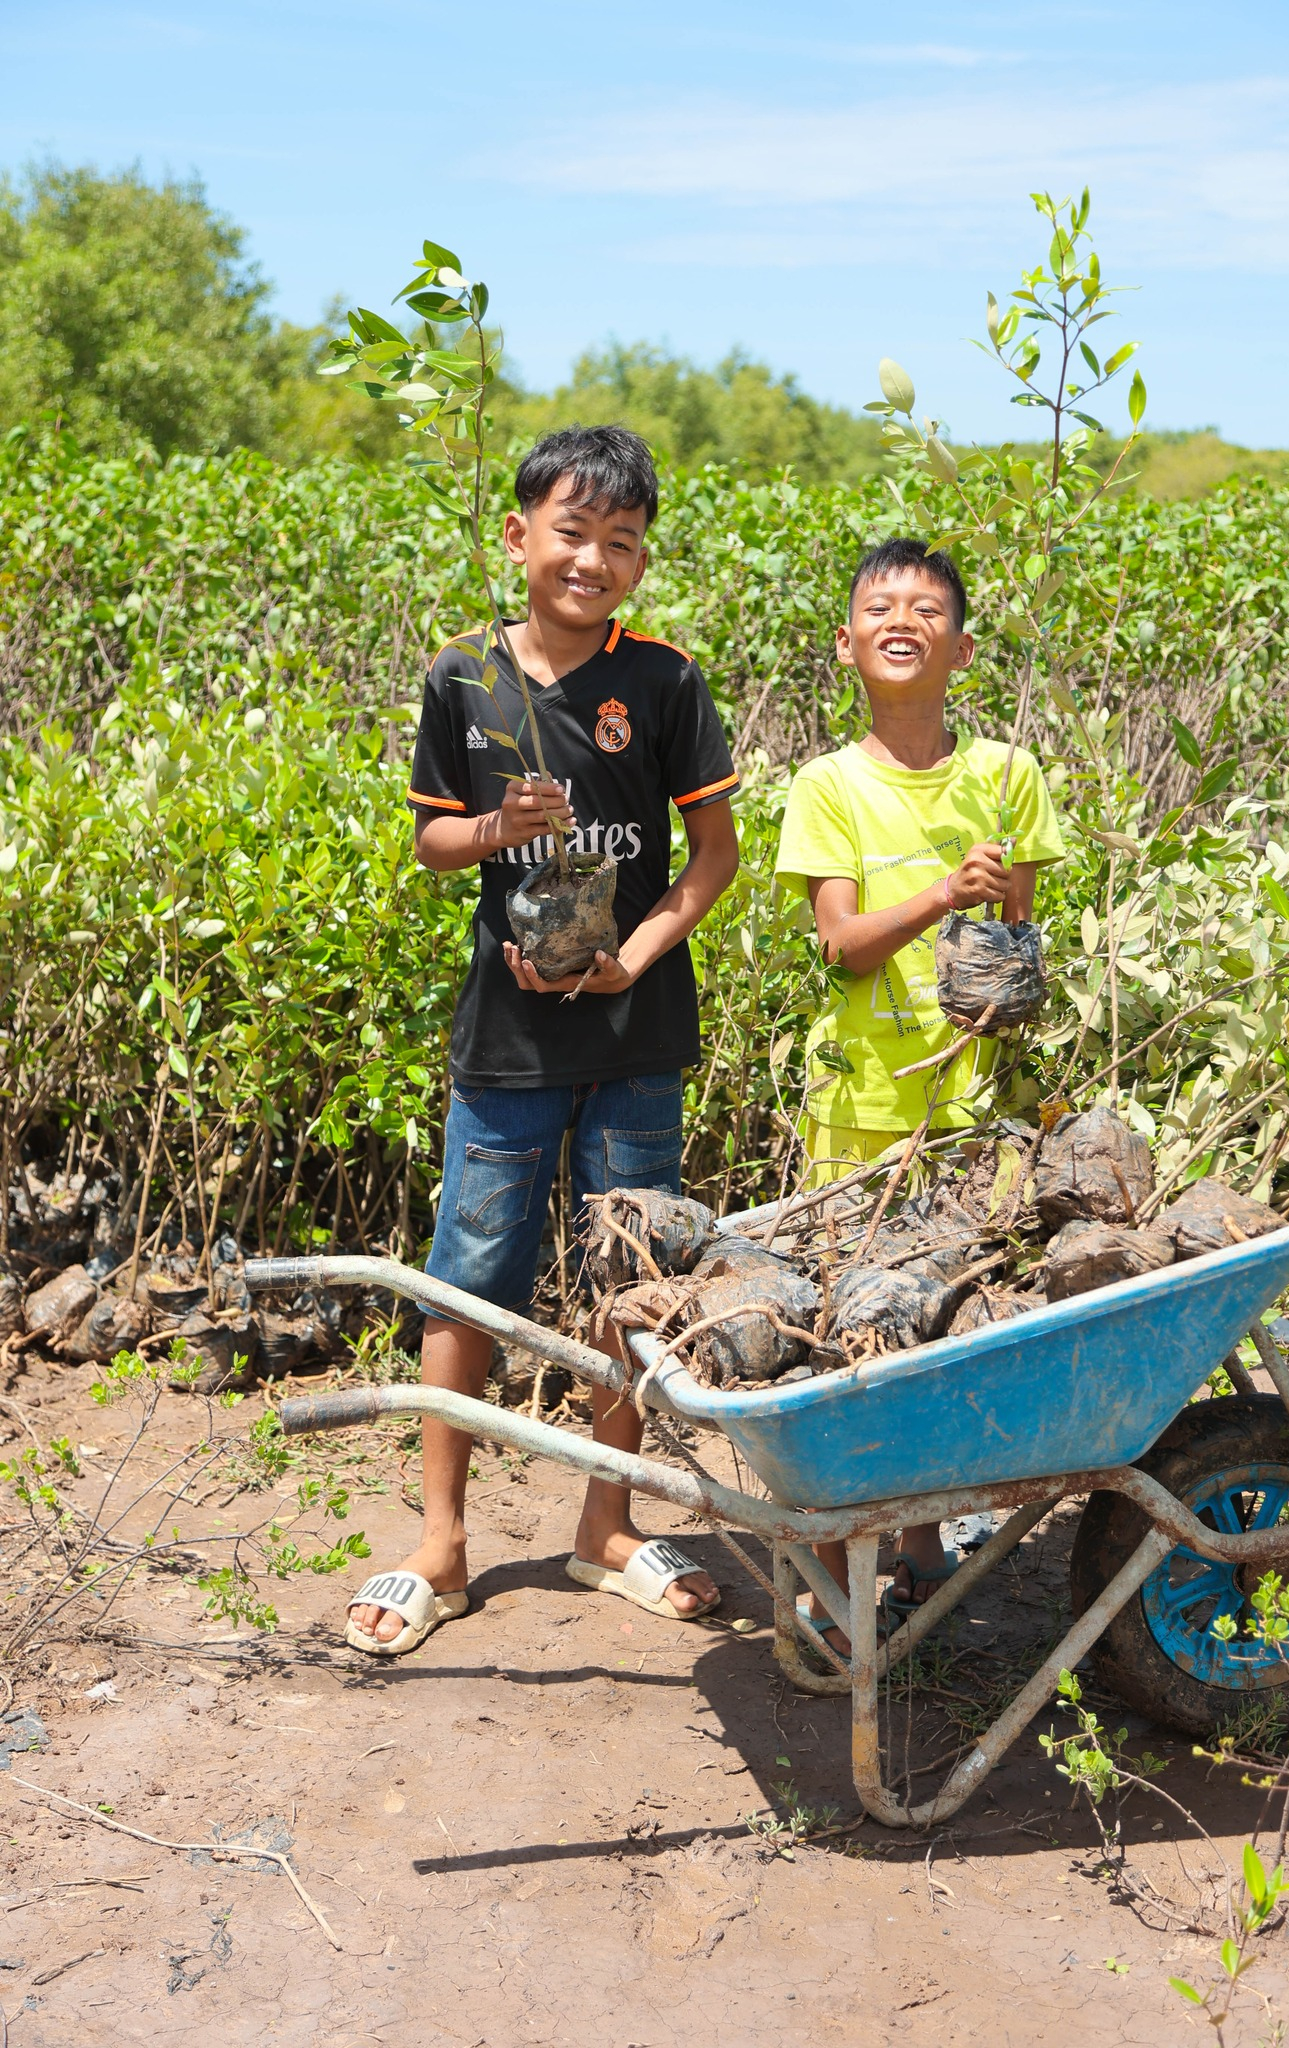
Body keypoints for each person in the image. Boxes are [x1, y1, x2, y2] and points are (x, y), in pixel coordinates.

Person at [346, 425, 740, 1656]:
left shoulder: (666, 681)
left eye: (620, 543)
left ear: (640, 563)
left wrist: (634, 951)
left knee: (630, 1282)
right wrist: (495, 825)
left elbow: (712, 859)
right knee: (468, 1272)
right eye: (572, 532)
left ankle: (606, 1526)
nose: (594, 559)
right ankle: (442, 1540)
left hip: (634, 1028)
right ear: (518, 536)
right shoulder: (463, 675)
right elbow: (431, 842)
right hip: (507, 1036)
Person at [775, 537, 1063, 1647]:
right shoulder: (827, 784)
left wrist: (986, 910)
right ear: (849, 643)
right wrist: (945, 889)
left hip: (973, 1106)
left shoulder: (1008, 775)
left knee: (946, 1327)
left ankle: (924, 1549)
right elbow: (843, 947)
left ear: (963, 645)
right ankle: (842, 1553)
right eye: (881, 606)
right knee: (855, 1337)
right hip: (859, 1102)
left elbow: (1009, 965)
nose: (905, 619)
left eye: (928, 607)